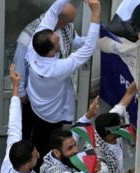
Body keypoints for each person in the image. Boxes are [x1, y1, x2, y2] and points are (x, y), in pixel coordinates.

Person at [2, 64, 92, 173]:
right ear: (27, 165)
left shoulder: (11, 158)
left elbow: (14, 123)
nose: (38, 153)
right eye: (35, 155)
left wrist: (16, 89)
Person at [25, 0, 101, 163]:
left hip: (36, 105)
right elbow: (88, 49)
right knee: (47, 147)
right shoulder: (56, 69)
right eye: (57, 42)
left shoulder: (35, 43)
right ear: (51, 52)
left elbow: (53, 10)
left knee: (36, 138)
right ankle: (45, 170)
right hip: (52, 116)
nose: (60, 39)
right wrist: (95, 13)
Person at [14, 0, 86, 140]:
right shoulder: (28, 37)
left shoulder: (66, 27)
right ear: (59, 21)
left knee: (51, 129)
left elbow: (74, 40)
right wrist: (21, 93)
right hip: (35, 93)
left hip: (57, 91)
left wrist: (91, 40)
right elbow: (19, 67)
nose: (71, 24)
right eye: (69, 21)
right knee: (30, 126)